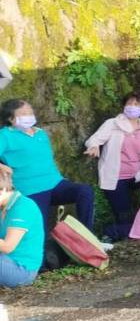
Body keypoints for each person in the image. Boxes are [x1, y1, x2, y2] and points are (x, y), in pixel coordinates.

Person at [0, 99, 94, 231]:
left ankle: (87, 238)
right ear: (11, 118)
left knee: (84, 191)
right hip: (31, 189)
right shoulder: (5, 135)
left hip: (56, 183)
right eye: (23, 113)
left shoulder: (40, 133)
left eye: (30, 112)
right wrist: (2, 166)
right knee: (40, 230)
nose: (29, 116)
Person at [84, 92, 140, 240]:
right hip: (117, 178)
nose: (132, 107)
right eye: (129, 103)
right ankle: (112, 232)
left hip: (139, 174)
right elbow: (94, 140)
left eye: (136, 104)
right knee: (125, 217)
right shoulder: (112, 124)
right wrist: (94, 147)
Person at [0, 168, 43, 287]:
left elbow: (8, 246)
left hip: (22, 269)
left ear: (3, 190)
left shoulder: (24, 207)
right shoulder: (2, 204)